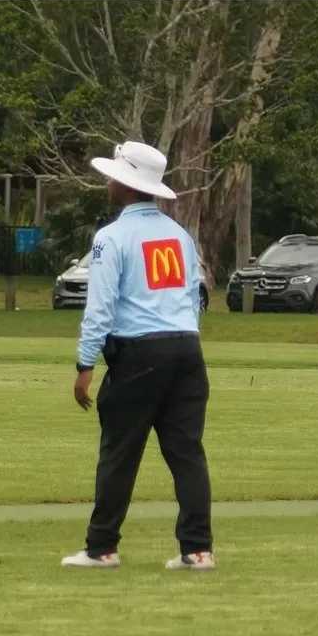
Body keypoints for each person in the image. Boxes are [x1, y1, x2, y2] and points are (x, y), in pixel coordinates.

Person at [63, 141, 215, 570]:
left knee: (119, 452)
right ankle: (198, 550)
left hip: (139, 354)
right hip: (187, 350)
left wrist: (85, 364)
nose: (109, 182)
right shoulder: (179, 235)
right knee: (186, 452)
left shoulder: (112, 238)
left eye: (114, 176)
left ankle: (101, 548)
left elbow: (101, 307)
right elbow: (194, 296)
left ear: (127, 186)